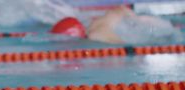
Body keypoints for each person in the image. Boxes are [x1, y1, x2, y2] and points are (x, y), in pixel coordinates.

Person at [50, 6, 181, 44]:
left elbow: (125, 43)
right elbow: (121, 9)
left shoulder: (96, 36)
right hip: (147, 20)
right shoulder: (96, 21)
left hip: (155, 29)